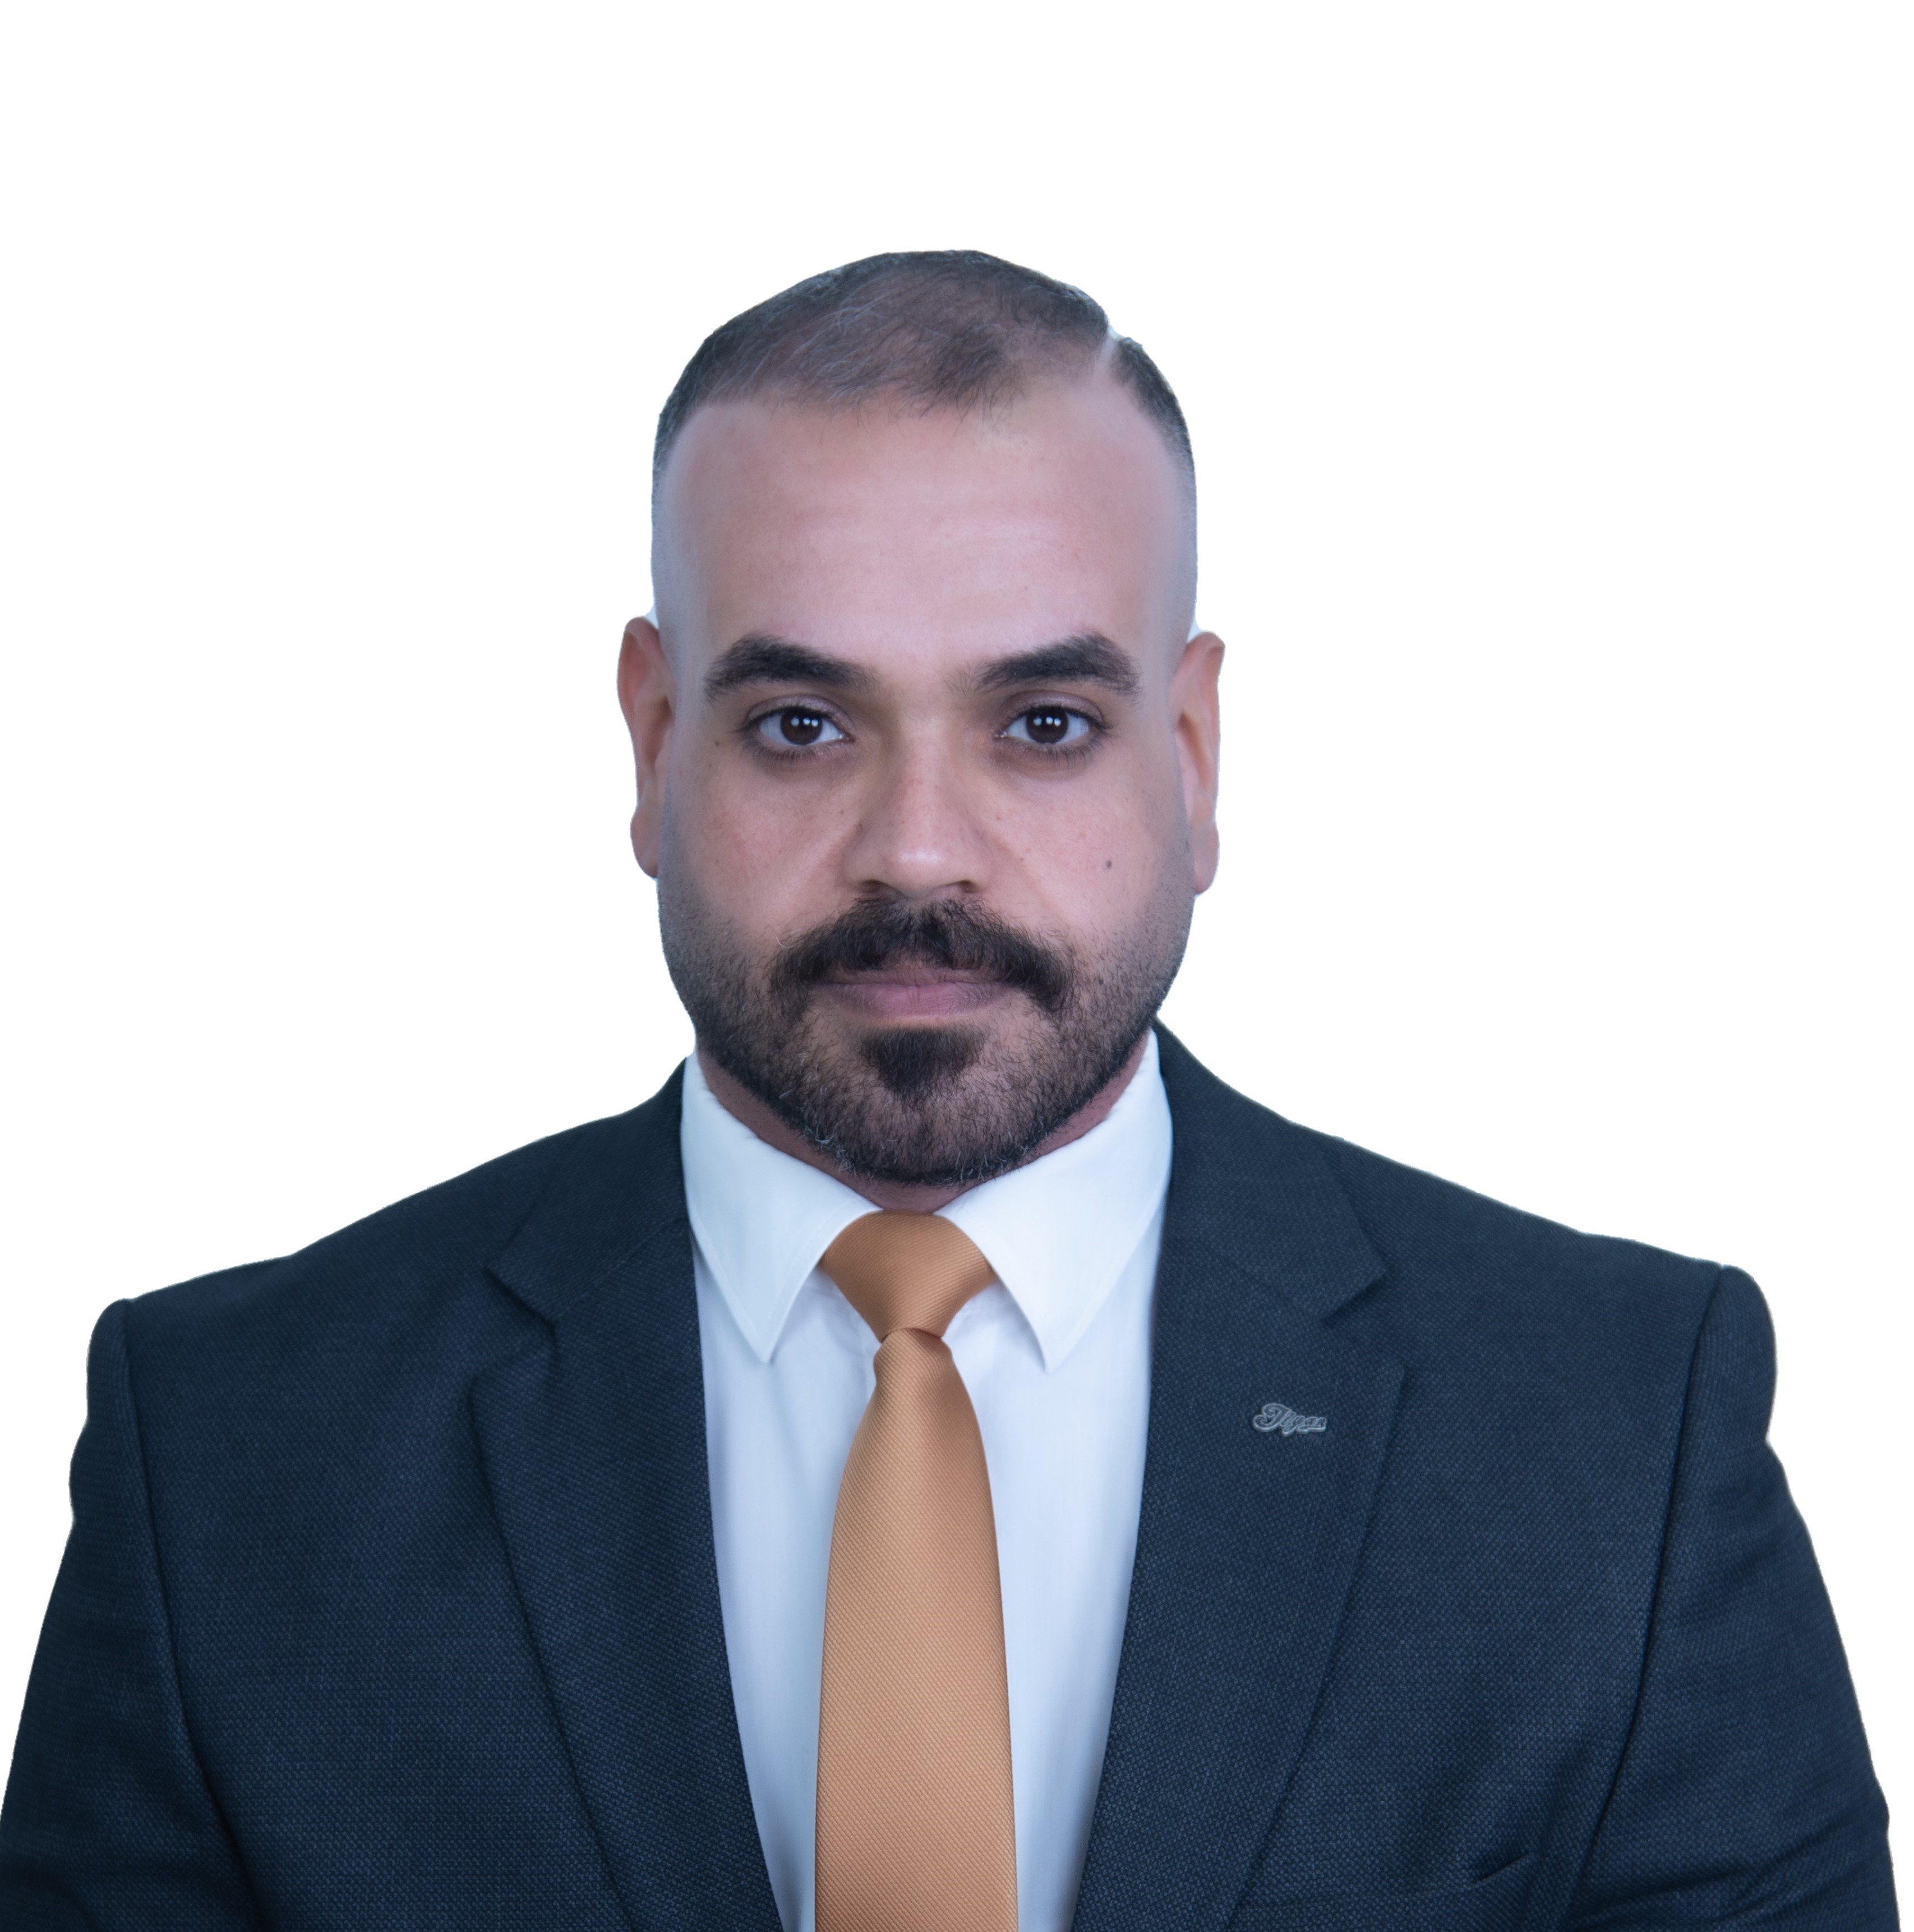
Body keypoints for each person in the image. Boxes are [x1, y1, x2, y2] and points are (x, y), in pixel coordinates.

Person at [0, 251, 1893, 1932]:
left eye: (1044, 724)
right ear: (653, 746)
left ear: (1194, 754)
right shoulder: (231, 1454)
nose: (918, 849)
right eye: (800, 724)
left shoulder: (1618, 1437)